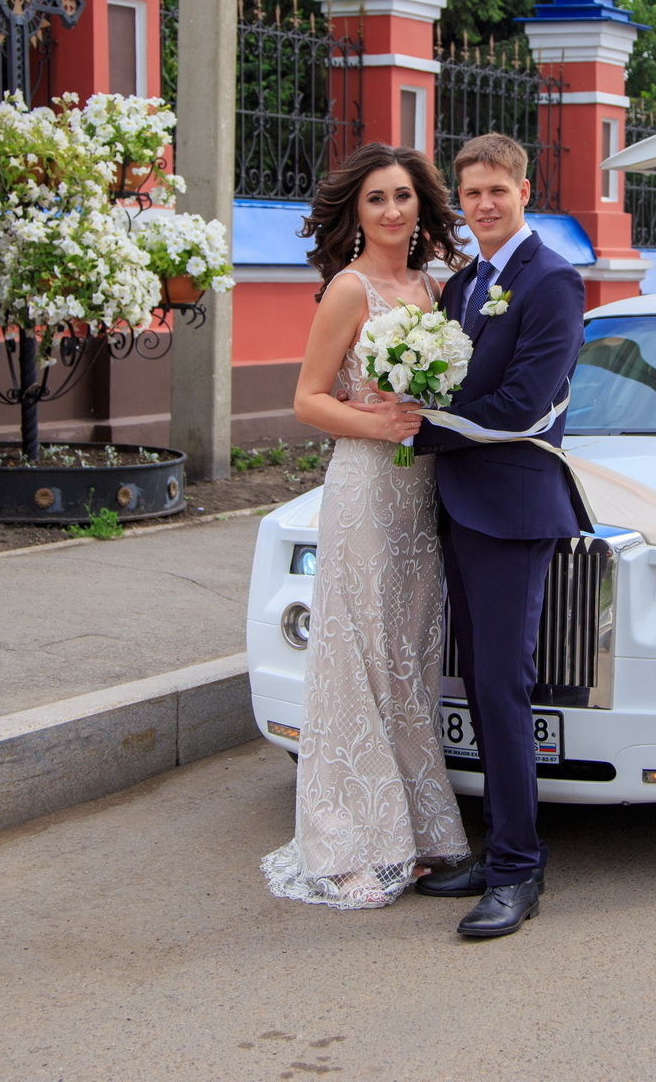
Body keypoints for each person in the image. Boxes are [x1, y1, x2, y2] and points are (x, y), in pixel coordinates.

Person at [261, 142, 474, 909]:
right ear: (357, 212)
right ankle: (350, 843)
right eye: (377, 199)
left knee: (409, 658)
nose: (392, 210)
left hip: (423, 494)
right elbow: (307, 399)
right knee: (356, 657)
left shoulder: (437, 286)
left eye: (404, 197)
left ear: (423, 206)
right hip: (363, 489)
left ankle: (419, 833)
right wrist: (377, 425)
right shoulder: (348, 291)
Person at [411, 132, 590, 939]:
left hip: (514, 511)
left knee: (502, 688)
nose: (483, 204)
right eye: (470, 192)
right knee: (475, 685)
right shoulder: (462, 285)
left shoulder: (551, 281)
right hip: (458, 503)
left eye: (497, 190)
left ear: (524, 189)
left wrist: (415, 427)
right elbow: (444, 372)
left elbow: (524, 403)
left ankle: (520, 868)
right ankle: (498, 846)